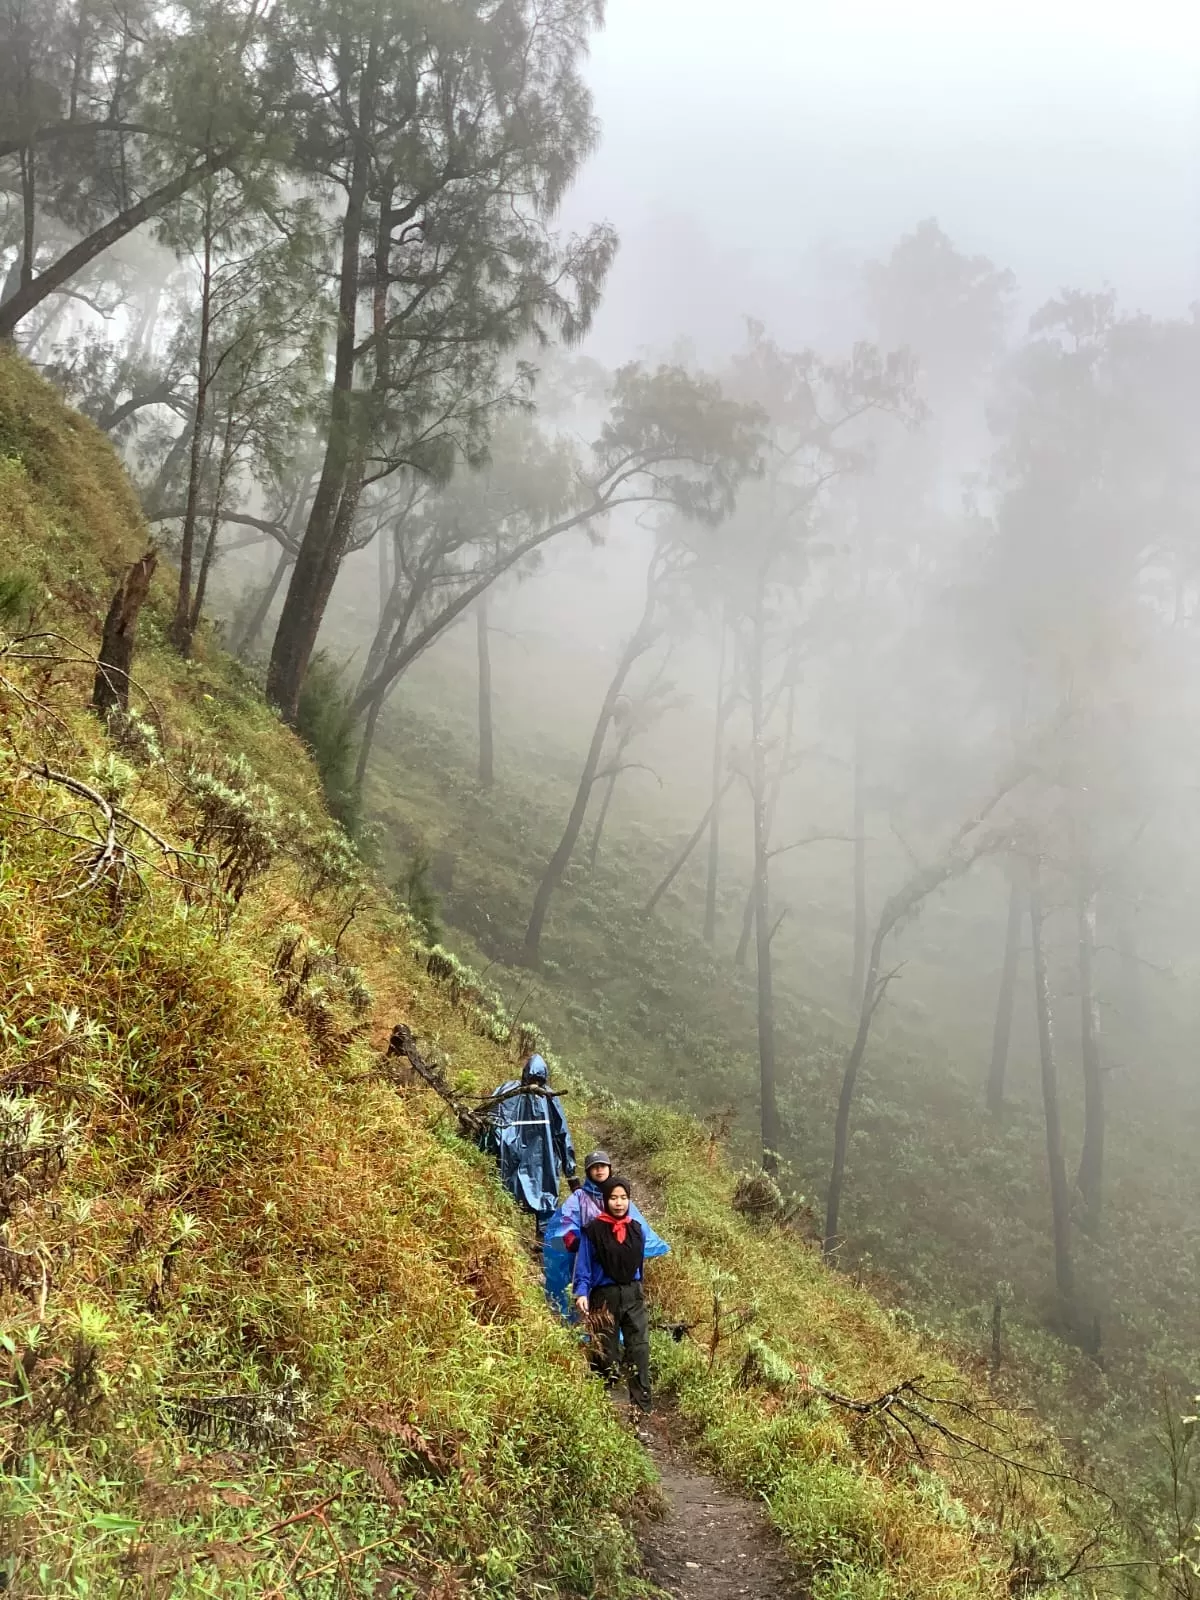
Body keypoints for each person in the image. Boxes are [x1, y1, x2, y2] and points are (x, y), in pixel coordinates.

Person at [542, 1150, 667, 1318]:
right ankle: (590, 1329)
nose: (599, 1170)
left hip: (618, 1261)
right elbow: (563, 1226)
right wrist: (581, 1241)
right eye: (594, 1167)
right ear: (588, 1172)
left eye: (603, 1166)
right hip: (590, 1259)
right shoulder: (579, 1198)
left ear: (609, 1168)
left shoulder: (619, 1197)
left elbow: (638, 1229)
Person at [574, 1174, 662, 1414]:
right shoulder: (593, 1231)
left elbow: (639, 1268)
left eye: (623, 1198)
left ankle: (640, 1409)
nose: (619, 1203)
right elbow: (584, 1265)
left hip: (633, 1296)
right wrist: (582, 1292)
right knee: (605, 1351)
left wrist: (639, 1290)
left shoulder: (637, 1230)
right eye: (613, 1198)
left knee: (639, 1349)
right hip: (604, 1298)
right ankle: (605, 1407)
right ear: (605, 1200)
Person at [480, 1052, 577, 1236]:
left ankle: (542, 1243)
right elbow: (490, 1120)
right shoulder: (511, 1091)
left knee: (541, 1198)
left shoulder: (548, 1098)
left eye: (537, 1080)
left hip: (534, 1159)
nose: (534, 1084)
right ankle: (512, 1234)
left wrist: (571, 1173)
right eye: (532, 1079)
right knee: (537, 1195)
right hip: (526, 1159)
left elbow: (562, 1133)